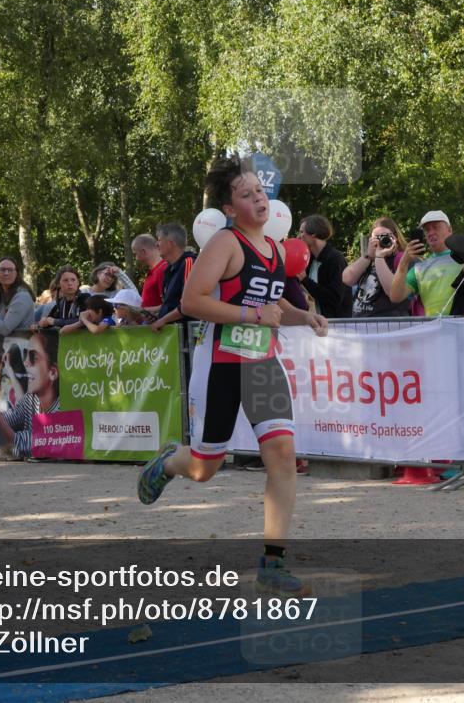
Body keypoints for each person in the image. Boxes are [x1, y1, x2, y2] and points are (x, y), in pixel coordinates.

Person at [136, 156, 328, 597]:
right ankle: (170, 461)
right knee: (205, 468)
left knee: (282, 455)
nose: (258, 198)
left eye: (259, 190)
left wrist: (305, 317)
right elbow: (192, 301)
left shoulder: (275, 248)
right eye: (246, 194)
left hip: (262, 364)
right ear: (229, 208)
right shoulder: (225, 243)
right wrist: (251, 315)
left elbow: (275, 305)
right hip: (221, 363)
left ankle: (273, 562)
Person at [0, 330, 60, 461]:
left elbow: (24, 442)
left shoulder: (60, 410)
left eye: (33, 357)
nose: (26, 362)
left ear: (53, 372)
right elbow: (13, 418)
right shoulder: (30, 399)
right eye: (25, 355)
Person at [390, 211, 464, 317]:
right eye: (427, 230)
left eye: (436, 227)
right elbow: (395, 297)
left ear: (449, 230)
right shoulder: (419, 268)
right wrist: (403, 262)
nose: (431, 232)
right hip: (434, 326)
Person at [343, 217, 412, 318]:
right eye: (377, 237)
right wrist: (367, 256)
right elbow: (347, 279)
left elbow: (393, 292)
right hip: (360, 323)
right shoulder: (369, 259)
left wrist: (379, 257)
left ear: (395, 237)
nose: (382, 240)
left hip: (388, 323)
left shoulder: (404, 259)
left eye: (386, 236)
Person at [296, 215, 352, 318]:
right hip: (317, 322)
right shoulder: (309, 259)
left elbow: (334, 298)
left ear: (313, 233)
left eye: (301, 232)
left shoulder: (335, 259)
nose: (298, 237)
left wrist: (305, 280)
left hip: (336, 324)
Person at [150, 223, 197, 331]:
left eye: (159, 240)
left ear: (170, 243)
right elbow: (171, 304)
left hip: (186, 336)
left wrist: (163, 320)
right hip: (173, 335)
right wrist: (153, 313)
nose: (156, 244)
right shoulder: (169, 268)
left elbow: (188, 303)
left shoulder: (188, 263)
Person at [37, 266, 89, 331]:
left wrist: (55, 322)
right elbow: (48, 321)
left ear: (78, 282)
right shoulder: (60, 303)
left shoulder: (86, 298)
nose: (70, 283)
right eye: (65, 280)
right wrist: (40, 324)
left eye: (73, 280)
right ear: (58, 284)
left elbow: (85, 320)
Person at [132, 234, 168, 314]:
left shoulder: (163, 269)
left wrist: (145, 311)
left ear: (143, 251)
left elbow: (169, 305)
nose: (136, 258)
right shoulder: (153, 271)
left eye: (135, 254)